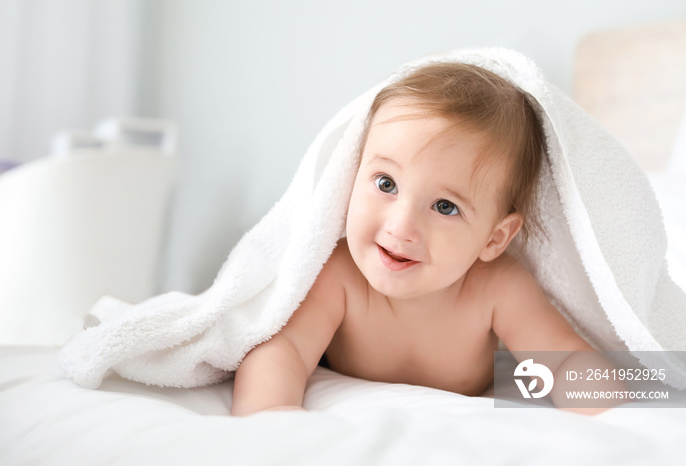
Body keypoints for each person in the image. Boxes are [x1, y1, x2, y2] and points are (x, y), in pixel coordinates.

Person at [231, 62, 607, 416]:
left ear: (494, 238)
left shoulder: (497, 289)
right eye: (386, 184)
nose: (400, 227)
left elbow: (566, 359)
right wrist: (272, 425)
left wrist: (623, 422)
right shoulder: (340, 274)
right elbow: (284, 350)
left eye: (445, 206)